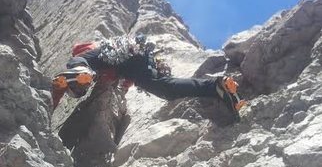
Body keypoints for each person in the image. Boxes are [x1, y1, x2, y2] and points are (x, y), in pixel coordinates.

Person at [51, 33, 247, 118]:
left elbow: (59, 86)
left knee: (80, 62)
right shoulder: (109, 70)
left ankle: (78, 70)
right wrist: (123, 87)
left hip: (111, 51)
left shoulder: (85, 51)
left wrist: (51, 104)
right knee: (165, 88)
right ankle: (217, 87)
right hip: (137, 57)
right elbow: (124, 80)